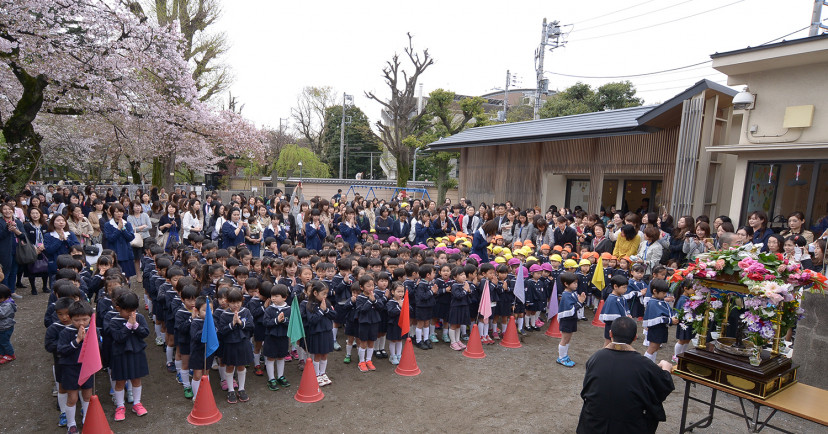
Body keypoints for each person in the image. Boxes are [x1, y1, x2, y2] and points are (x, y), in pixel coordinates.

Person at [576, 317, 675, 434]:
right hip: (629, 426)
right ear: (634, 337)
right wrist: (666, 369)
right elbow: (664, 386)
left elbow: (587, 389)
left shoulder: (596, 357)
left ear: (610, 333)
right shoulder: (644, 364)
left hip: (593, 424)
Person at [109, 291, 149, 421]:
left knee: (136, 379)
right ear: (118, 308)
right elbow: (118, 338)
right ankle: (120, 406)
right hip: (120, 355)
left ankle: (137, 403)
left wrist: (135, 325)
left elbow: (145, 333)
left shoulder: (140, 318)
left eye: (134, 310)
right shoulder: (114, 321)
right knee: (120, 381)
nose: (131, 314)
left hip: (136, 353)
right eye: (128, 311)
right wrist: (128, 326)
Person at [217, 288, 254, 404]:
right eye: (232, 302)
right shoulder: (224, 315)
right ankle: (231, 389)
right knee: (229, 366)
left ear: (242, 301)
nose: (235, 305)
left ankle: (241, 388)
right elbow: (222, 331)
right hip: (230, 345)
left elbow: (251, 326)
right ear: (228, 301)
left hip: (243, 343)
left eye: (238, 302)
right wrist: (232, 323)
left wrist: (240, 323)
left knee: (241, 366)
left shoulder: (246, 311)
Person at [557, 271, 587, 367]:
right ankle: (561, 357)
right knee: (564, 339)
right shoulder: (566, 295)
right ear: (566, 284)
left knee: (568, 338)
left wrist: (580, 300)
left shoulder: (572, 293)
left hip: (572, 319)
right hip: (567, 320)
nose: (576, 285)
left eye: (576, 282)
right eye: (574, 283)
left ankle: (564, 355)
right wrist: (580, 302)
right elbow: (570, 310)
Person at [642, 279, 677, 363]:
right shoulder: (653, 302)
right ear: (654, 291)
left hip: (660, 328)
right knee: (652, 348)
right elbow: (656, 318)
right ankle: (644, 364)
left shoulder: (659, 301)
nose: (665, 295)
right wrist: (670, 320)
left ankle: (651, 364)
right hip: (655, 329)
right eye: (663, 293)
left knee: (656, 347)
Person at [0, 284, 16, 364]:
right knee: (1, 341)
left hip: (5, 328)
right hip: (2, 327)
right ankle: (2, 353)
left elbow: (1, 314)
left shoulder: (8, 305)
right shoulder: (2, 302)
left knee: (4, 342)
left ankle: (10, 355)